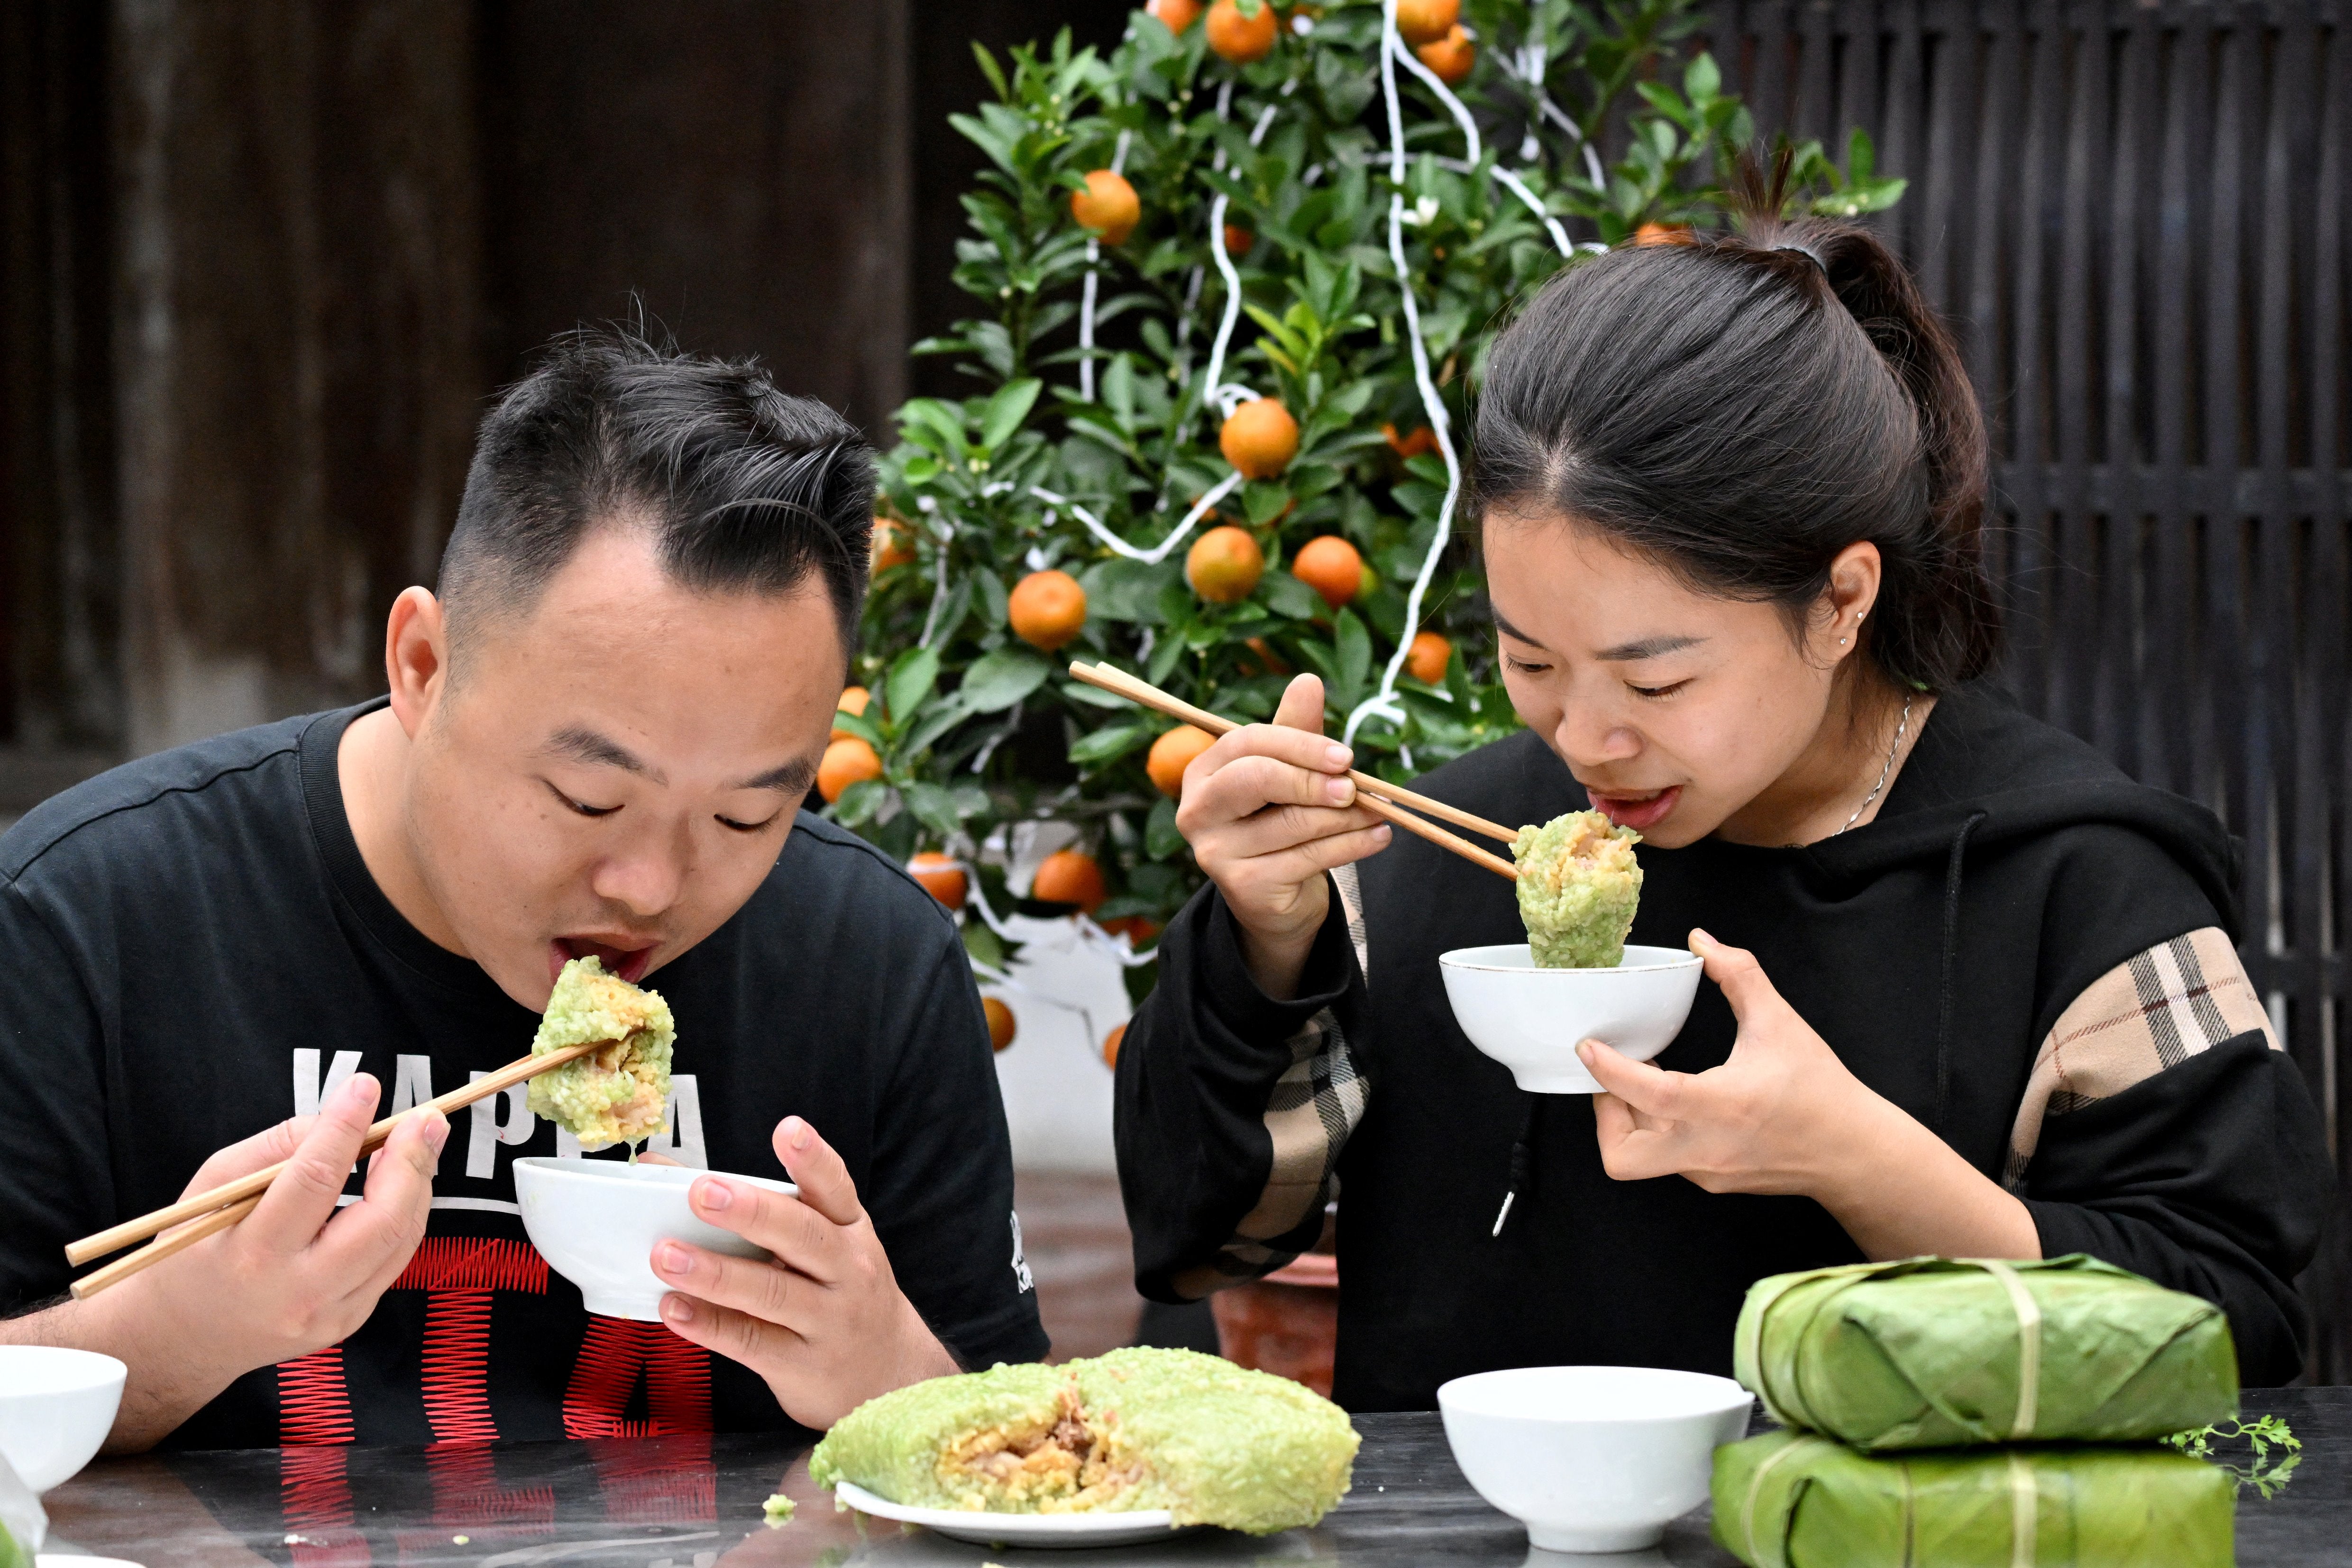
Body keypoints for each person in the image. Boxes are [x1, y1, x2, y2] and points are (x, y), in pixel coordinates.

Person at [1115, 217, 2331, 1409]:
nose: (1588, 738)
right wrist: (1266, 946)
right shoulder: (1426, 854)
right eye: (1531, 660)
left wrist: (1854, 1156)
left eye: (1657, 680)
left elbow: (2229, 1338)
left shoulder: (2082, 882)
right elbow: (1204, 1247)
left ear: (1843, 599)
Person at [0, 328, 1044, 1450]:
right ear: (422, 666)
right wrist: (179, 1330)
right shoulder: (86, 918)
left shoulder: (877, 966)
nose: (648, 887)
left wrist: (893, 1382)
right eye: (589, 797)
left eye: (746, 815)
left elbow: (1039, 1460)